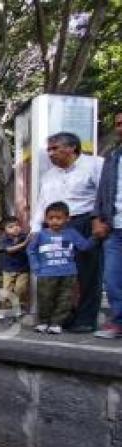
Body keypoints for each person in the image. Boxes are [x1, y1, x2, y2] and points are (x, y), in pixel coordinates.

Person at [31, 132, 104, 332]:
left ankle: (86, 320)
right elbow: (42, 203)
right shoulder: (49, 175)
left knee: (88, 274)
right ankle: (61, 317)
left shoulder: (96, 165)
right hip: (54, 229)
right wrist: (36, 229)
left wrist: (100, 222)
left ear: (71, 148)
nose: (50, 153)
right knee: (60, 274)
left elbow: (103, 195)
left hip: (84, 222)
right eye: (49, 149)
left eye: (54, 148)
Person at [28, 201, 96, 334]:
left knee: (65, 299)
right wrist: (36, 266)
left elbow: (84, 246)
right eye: (51, 218)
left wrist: (95, 238)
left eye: (58, 218)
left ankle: (56, 323)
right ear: (46, 219)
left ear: (67, 219)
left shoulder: (72, 233)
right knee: (45, 298)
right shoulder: (41, 234)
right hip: (46, 274)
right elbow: (31, 250)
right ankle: (43, 322)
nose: (54, 221)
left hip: (68, 274)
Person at [91, 110, 122, 339]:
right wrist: (97, 219)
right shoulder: (113, 157)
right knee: (112, 279)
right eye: (118, 123)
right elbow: (102, 191)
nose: (120, 127)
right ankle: (118, 322)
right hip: (114, 228)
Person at [0, 217, 30, 318]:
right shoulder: (4, 239)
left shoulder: (25, 236)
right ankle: (7, 312)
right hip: (8, 270)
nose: (15, 228)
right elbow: (9, 250)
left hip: (23, 269)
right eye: (11, 227)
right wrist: (24, 244)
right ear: (4, 231)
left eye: (17, 225)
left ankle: (21, 307)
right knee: (6, 293)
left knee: (21, 289)